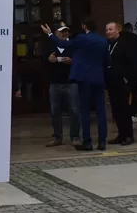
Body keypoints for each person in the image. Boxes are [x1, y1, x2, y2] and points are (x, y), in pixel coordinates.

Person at [42, 18, 108, 151]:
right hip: (98, 78)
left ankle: (87, 142)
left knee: (84, 110)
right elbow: (107, 60)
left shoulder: (81, 39)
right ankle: (102, 141)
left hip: (84, 79)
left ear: (84, 26)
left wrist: (49, 34)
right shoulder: (102, 40)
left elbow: (63, 44)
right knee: (101, 111)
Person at [105, 22, 137, 146]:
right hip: (112, 82)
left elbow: (132, 63)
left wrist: (129, 80)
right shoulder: (108, 45)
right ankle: (121, 134)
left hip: (123, 82)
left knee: (124, 110)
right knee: (116, 110)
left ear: (118, 30)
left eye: (111, 29)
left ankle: (128, 135)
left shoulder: (125, 45)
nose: (108, 32)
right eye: (107, 30)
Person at [45, 24, 80, 147]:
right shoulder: (50, 45)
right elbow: (42, 59)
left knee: (74, 110)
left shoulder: (73, 45)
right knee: (55, 111)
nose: (65, 34)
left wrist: (72, 61)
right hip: (55, 82)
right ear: (56, 33)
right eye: (62, 31)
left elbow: (80, 60)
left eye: (66, 31)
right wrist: (48, 59)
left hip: (71, 82)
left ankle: (75, 136)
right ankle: (57, 137)